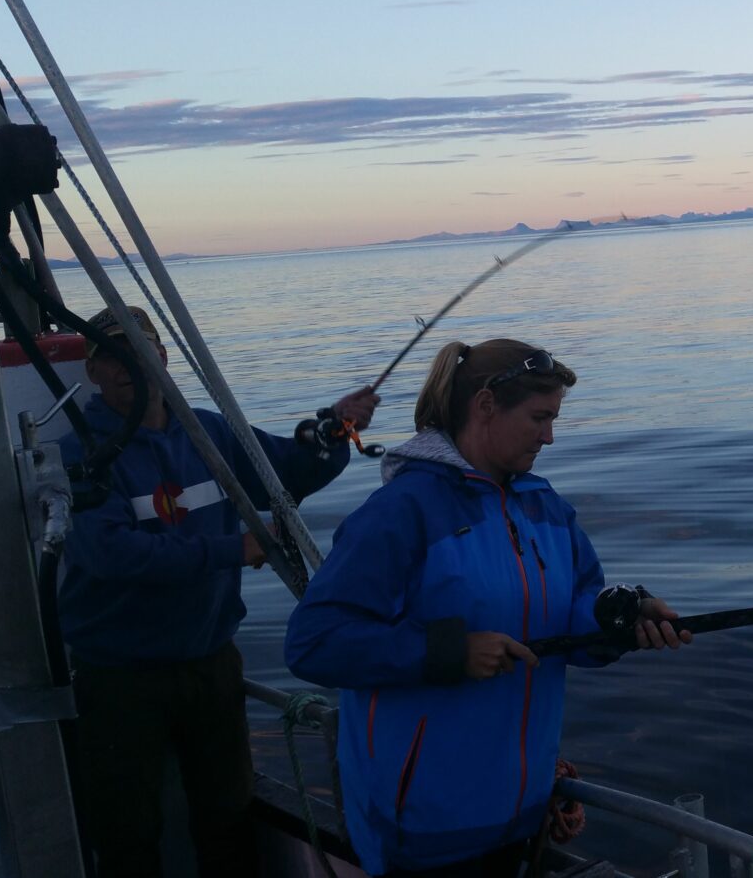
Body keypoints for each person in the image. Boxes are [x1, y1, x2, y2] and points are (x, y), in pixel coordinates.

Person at [285, 339, 692, 877]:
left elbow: (573, 605)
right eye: (539, 418)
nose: (550, 435)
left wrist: (617, 616)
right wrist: (448, 652)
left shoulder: (545, 506)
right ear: (484, 407)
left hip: (519, 816)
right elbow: (314, 641)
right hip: (423, 829)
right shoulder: (401, 513)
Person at [60, 304, 378, 878]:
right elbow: (108, 554)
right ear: (94, 372)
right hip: (117, 679)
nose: (131, 360)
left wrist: (333, 426)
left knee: (227, 817)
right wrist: (236, 550)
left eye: (142, 345)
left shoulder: (207, 431)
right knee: (126, 832)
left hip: (211, 664)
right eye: (112, 352)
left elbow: (287, 470)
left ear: (163, 354)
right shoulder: (80, 451)